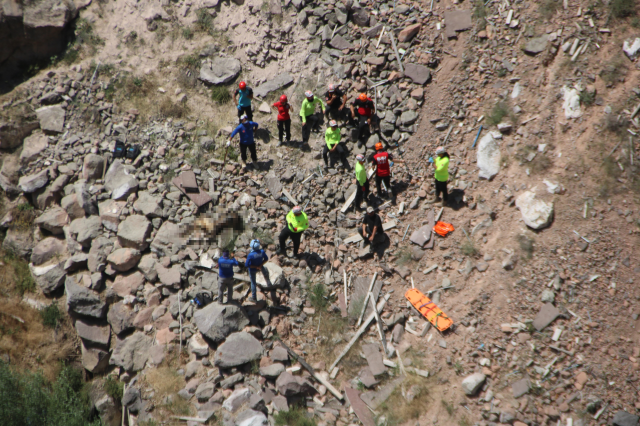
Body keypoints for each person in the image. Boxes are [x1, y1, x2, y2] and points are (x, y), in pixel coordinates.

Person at [245, 239, 272, 303]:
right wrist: (259, 266)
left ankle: (254, 298)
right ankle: (266, 276)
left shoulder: (250, 255)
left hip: (252, 269)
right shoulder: (262, 251)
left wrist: (255, 267)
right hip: (259, 265)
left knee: (253, 283)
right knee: (263, 268)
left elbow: (247, 265)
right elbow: (266, 259)